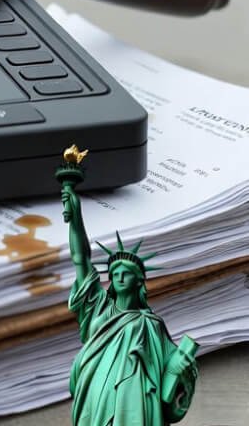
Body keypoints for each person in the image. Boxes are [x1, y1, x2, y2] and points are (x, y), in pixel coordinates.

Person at [61, 179, 198, 426]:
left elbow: (171, 368)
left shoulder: (152, 325)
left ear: (139, 281)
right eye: (115, 273)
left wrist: (184, 368)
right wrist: (75, 219)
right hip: (98, 394)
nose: (120, 277)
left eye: (126, 273)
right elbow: (80, 258)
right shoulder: (98, 307)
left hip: (138, 403)